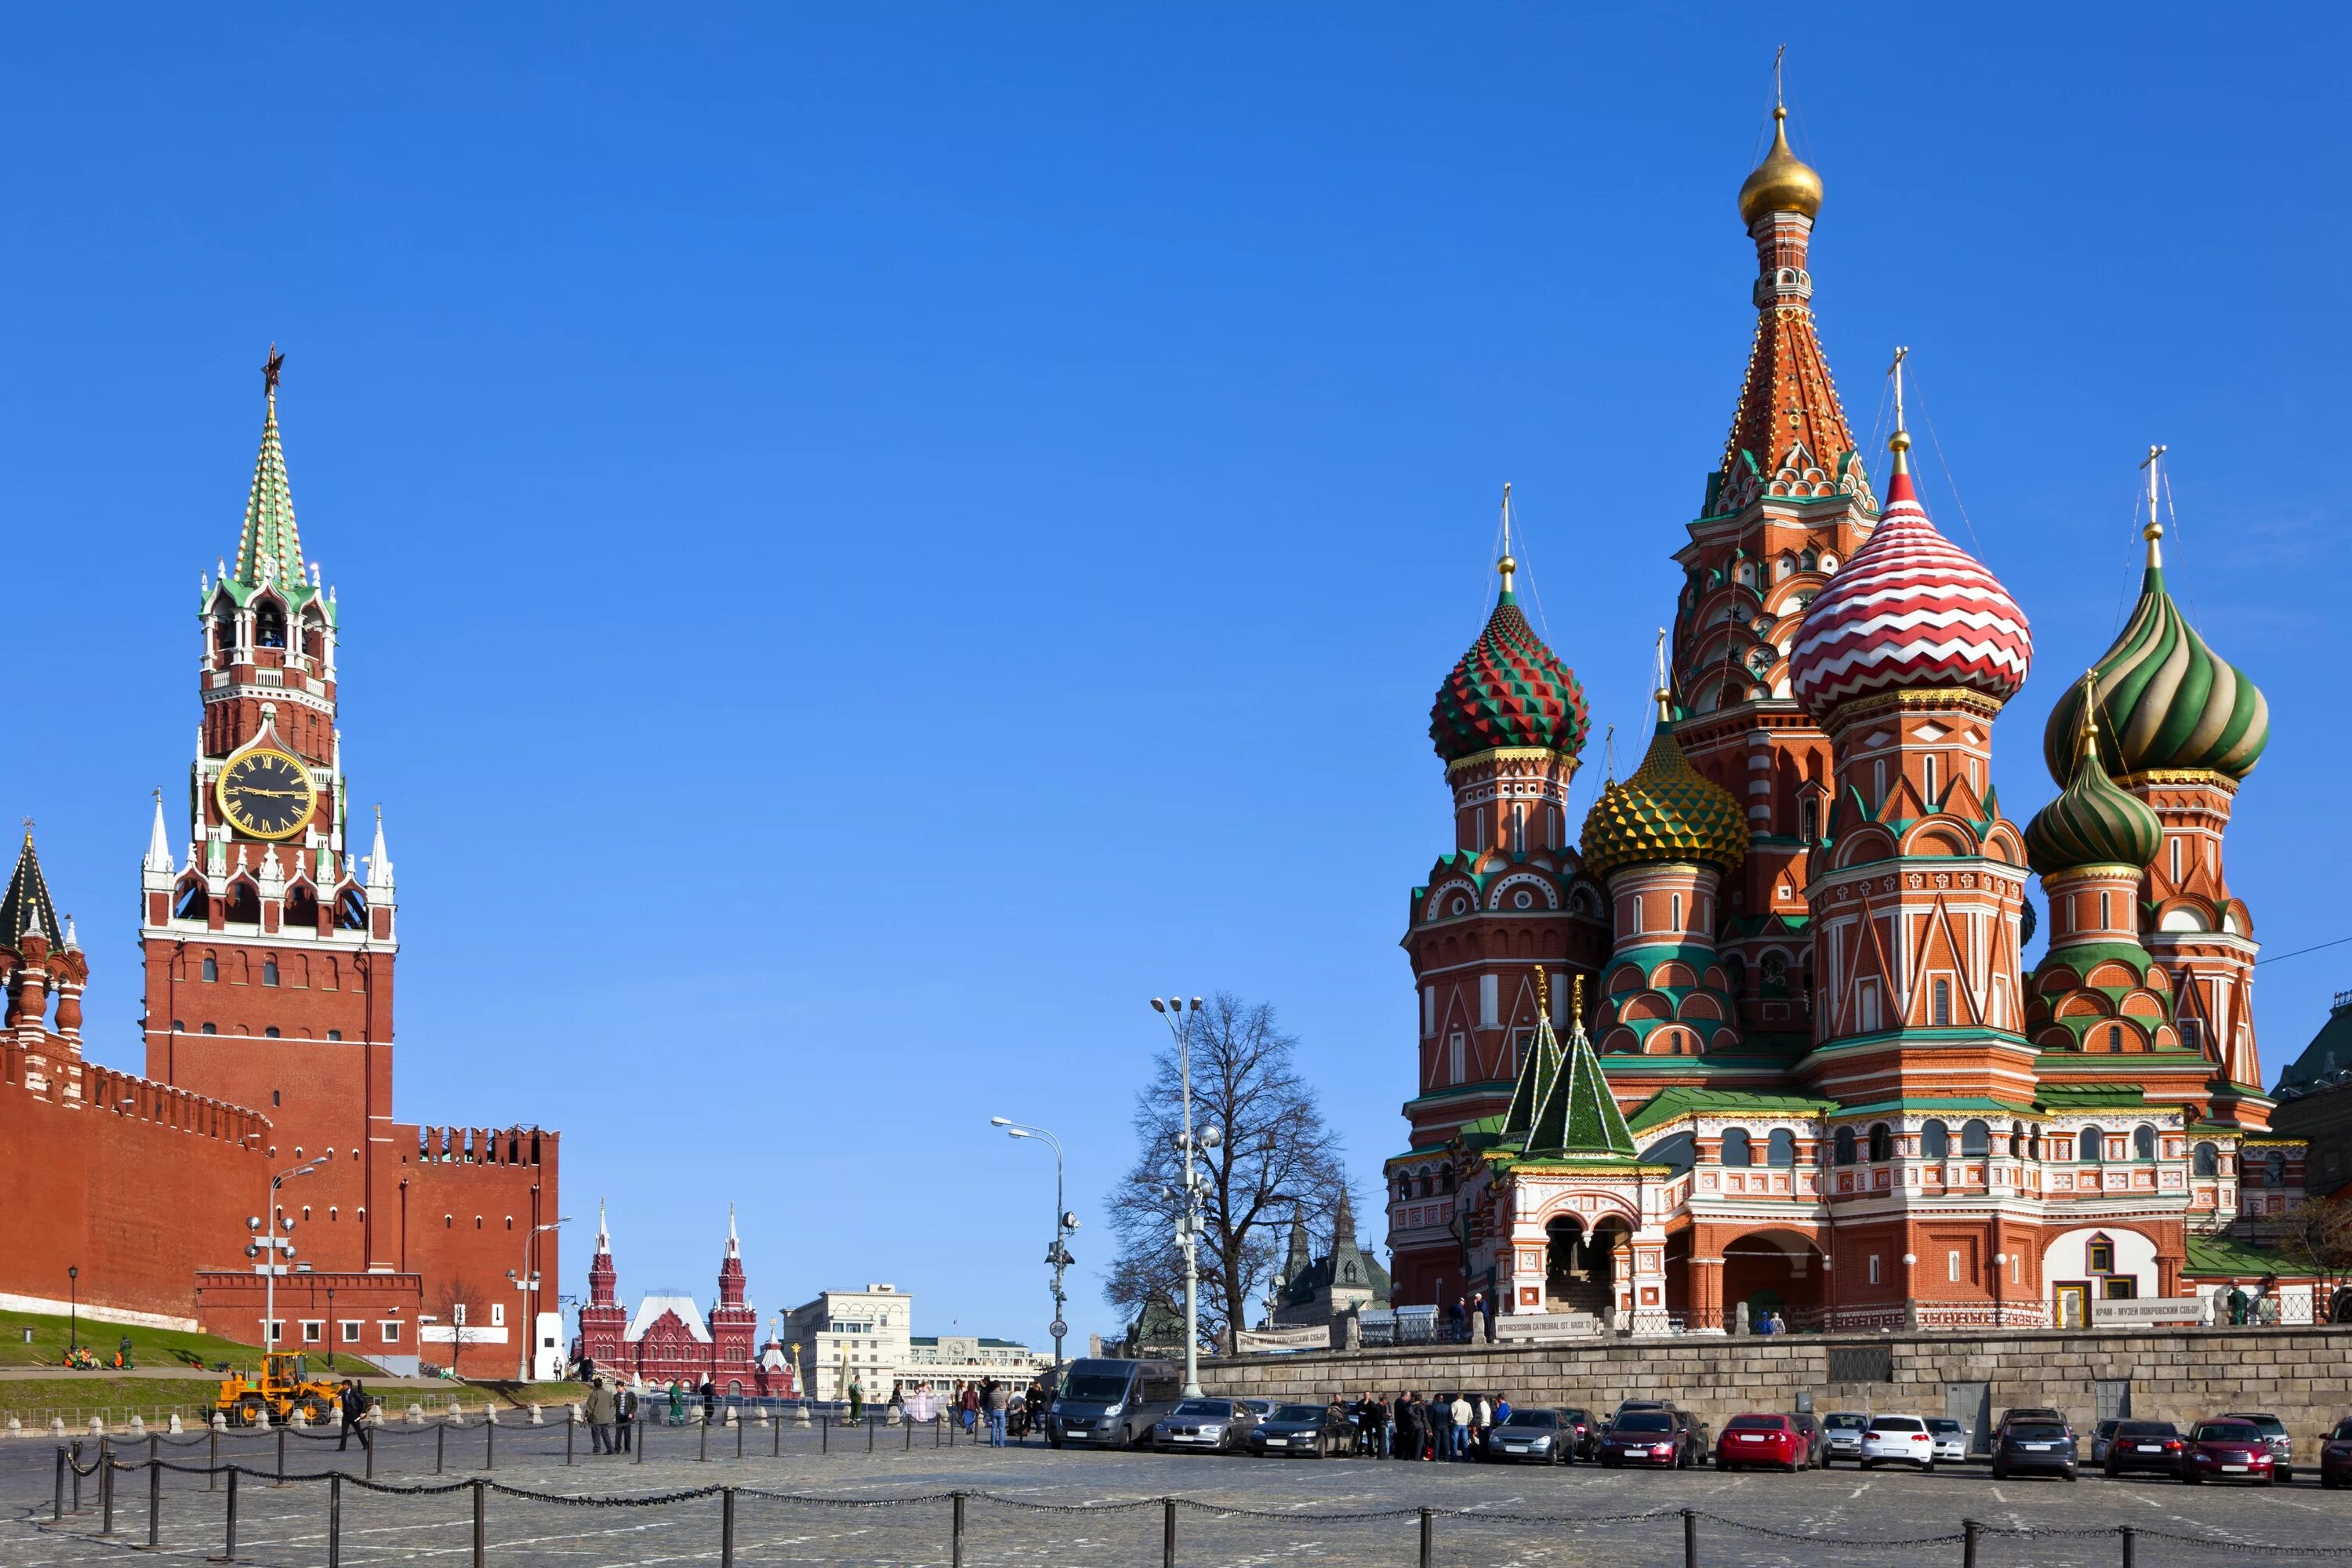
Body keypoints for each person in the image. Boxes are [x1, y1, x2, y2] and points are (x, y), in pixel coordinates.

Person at [337, 1378, 373, 1453]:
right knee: (344, 1431)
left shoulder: (354, 1393)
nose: (344, 1386)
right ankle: (342, 1447)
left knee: (358, 1430)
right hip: (346, 1414)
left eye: (345, 1385)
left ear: (349, 1386)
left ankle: (365, 1444)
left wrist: (363, 1412)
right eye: (343, 1384)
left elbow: (363, 1402)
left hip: (354, 1414)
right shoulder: (344, 1393)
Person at [586, 1376, 617, 1454]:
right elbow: (611, 1404)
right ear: (602, 1384)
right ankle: (610, 1449)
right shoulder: (607, 1394)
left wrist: (586, 1415)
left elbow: (590, 1406)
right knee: (605, 1434)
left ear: (594, 1385)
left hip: (596, 1418)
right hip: (606, 1417)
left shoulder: (594, 1394)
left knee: (596, 1434)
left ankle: (597, 1449)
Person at [1396, 1392, 1423, 1461]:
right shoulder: (1405, 1403)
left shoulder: (1405, 1403)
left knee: (1407, 1441)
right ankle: (1408, 1456)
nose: (1409, 1398)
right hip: (1411, 1425)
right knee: (1409, 1441)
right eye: (1408, 1396)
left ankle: (1406, 1456)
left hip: (1408, 1425)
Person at [986, 1379, 1010, 1447]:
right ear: (1000, 1385)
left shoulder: (991, 1394)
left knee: (994, 1428)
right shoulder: (1003, 1393)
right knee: (1001, 1429)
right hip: (1002, 1411)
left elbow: (990, 1404)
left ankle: (993, 1444)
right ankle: (1001, 1444)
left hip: (994, 1411)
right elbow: (1007, 1401)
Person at [1450, 1392, 1472, 1460]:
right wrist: (1468, 1421)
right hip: (1464, 1424)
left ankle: (1454, 1456)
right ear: (1462, 1397)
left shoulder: (1454, 1404)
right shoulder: (1467, 1404)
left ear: (1456, 1397)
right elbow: (1471, 1415)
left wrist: (1451, 1421)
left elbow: (1451, 1415)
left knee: (1455, 1440)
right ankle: (1466, 1456)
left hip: (1456, 1424)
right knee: (1465, 1440)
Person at [616, 1382, 637, 1453]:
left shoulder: (630, 1395)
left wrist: (631, 1413)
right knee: (618, 1434)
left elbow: (635, 1405)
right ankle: (617, 1449)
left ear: (623, 1387)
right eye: (616, 1388)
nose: (617, 1390)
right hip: (619, 1416)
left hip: (627, 1417)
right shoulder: (616, 1396)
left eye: (618, 1388)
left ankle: (627, 1449)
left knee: (627, 1434)